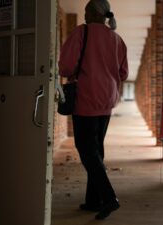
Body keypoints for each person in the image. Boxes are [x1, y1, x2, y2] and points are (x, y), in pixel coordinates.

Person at [58, 0, 128, 220]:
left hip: (86, 98)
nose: (85, 13)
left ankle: (108, 198)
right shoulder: (117, 39)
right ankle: (93, 200)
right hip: (107, 100)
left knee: (86, 150)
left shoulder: (82, 32)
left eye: (87, 10)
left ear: (94, 13)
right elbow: (123, 73)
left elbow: (66, 67)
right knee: (96, 149)